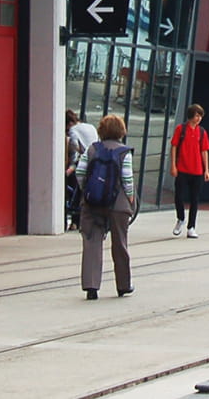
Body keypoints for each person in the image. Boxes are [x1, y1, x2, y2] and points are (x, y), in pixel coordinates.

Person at [75, 113, 133, 300]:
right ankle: (123, 285)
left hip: (92, 203)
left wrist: (88, 190)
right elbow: (127, 180)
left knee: (91, 242)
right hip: (118, 205)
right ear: (121, 131)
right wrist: (130, 198)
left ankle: (91, 286)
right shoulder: (124, 152)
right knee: (120, 244)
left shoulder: (92, 149)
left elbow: (80, 172)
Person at [169, 103, 209, 238]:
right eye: (197, 115)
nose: (198, 118)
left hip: (197, 170)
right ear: (191, 115)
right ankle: (180, 218)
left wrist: (207, 170)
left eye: (200, 116)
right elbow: (174, 147)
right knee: (179, 196)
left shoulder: (201, 132)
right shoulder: (180, 129)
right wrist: (173, 165)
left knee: (195, 199)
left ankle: (191, 226)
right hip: (182, 168)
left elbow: (204, 151)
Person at [64, 109, 98, 228]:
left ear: (68, 124)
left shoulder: (73, 130)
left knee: (71, 181)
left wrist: (70, 166)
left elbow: (74, 149)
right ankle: (76, 222)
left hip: (84, 162)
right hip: (96, 162)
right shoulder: (91, 126)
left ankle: (73, 217)